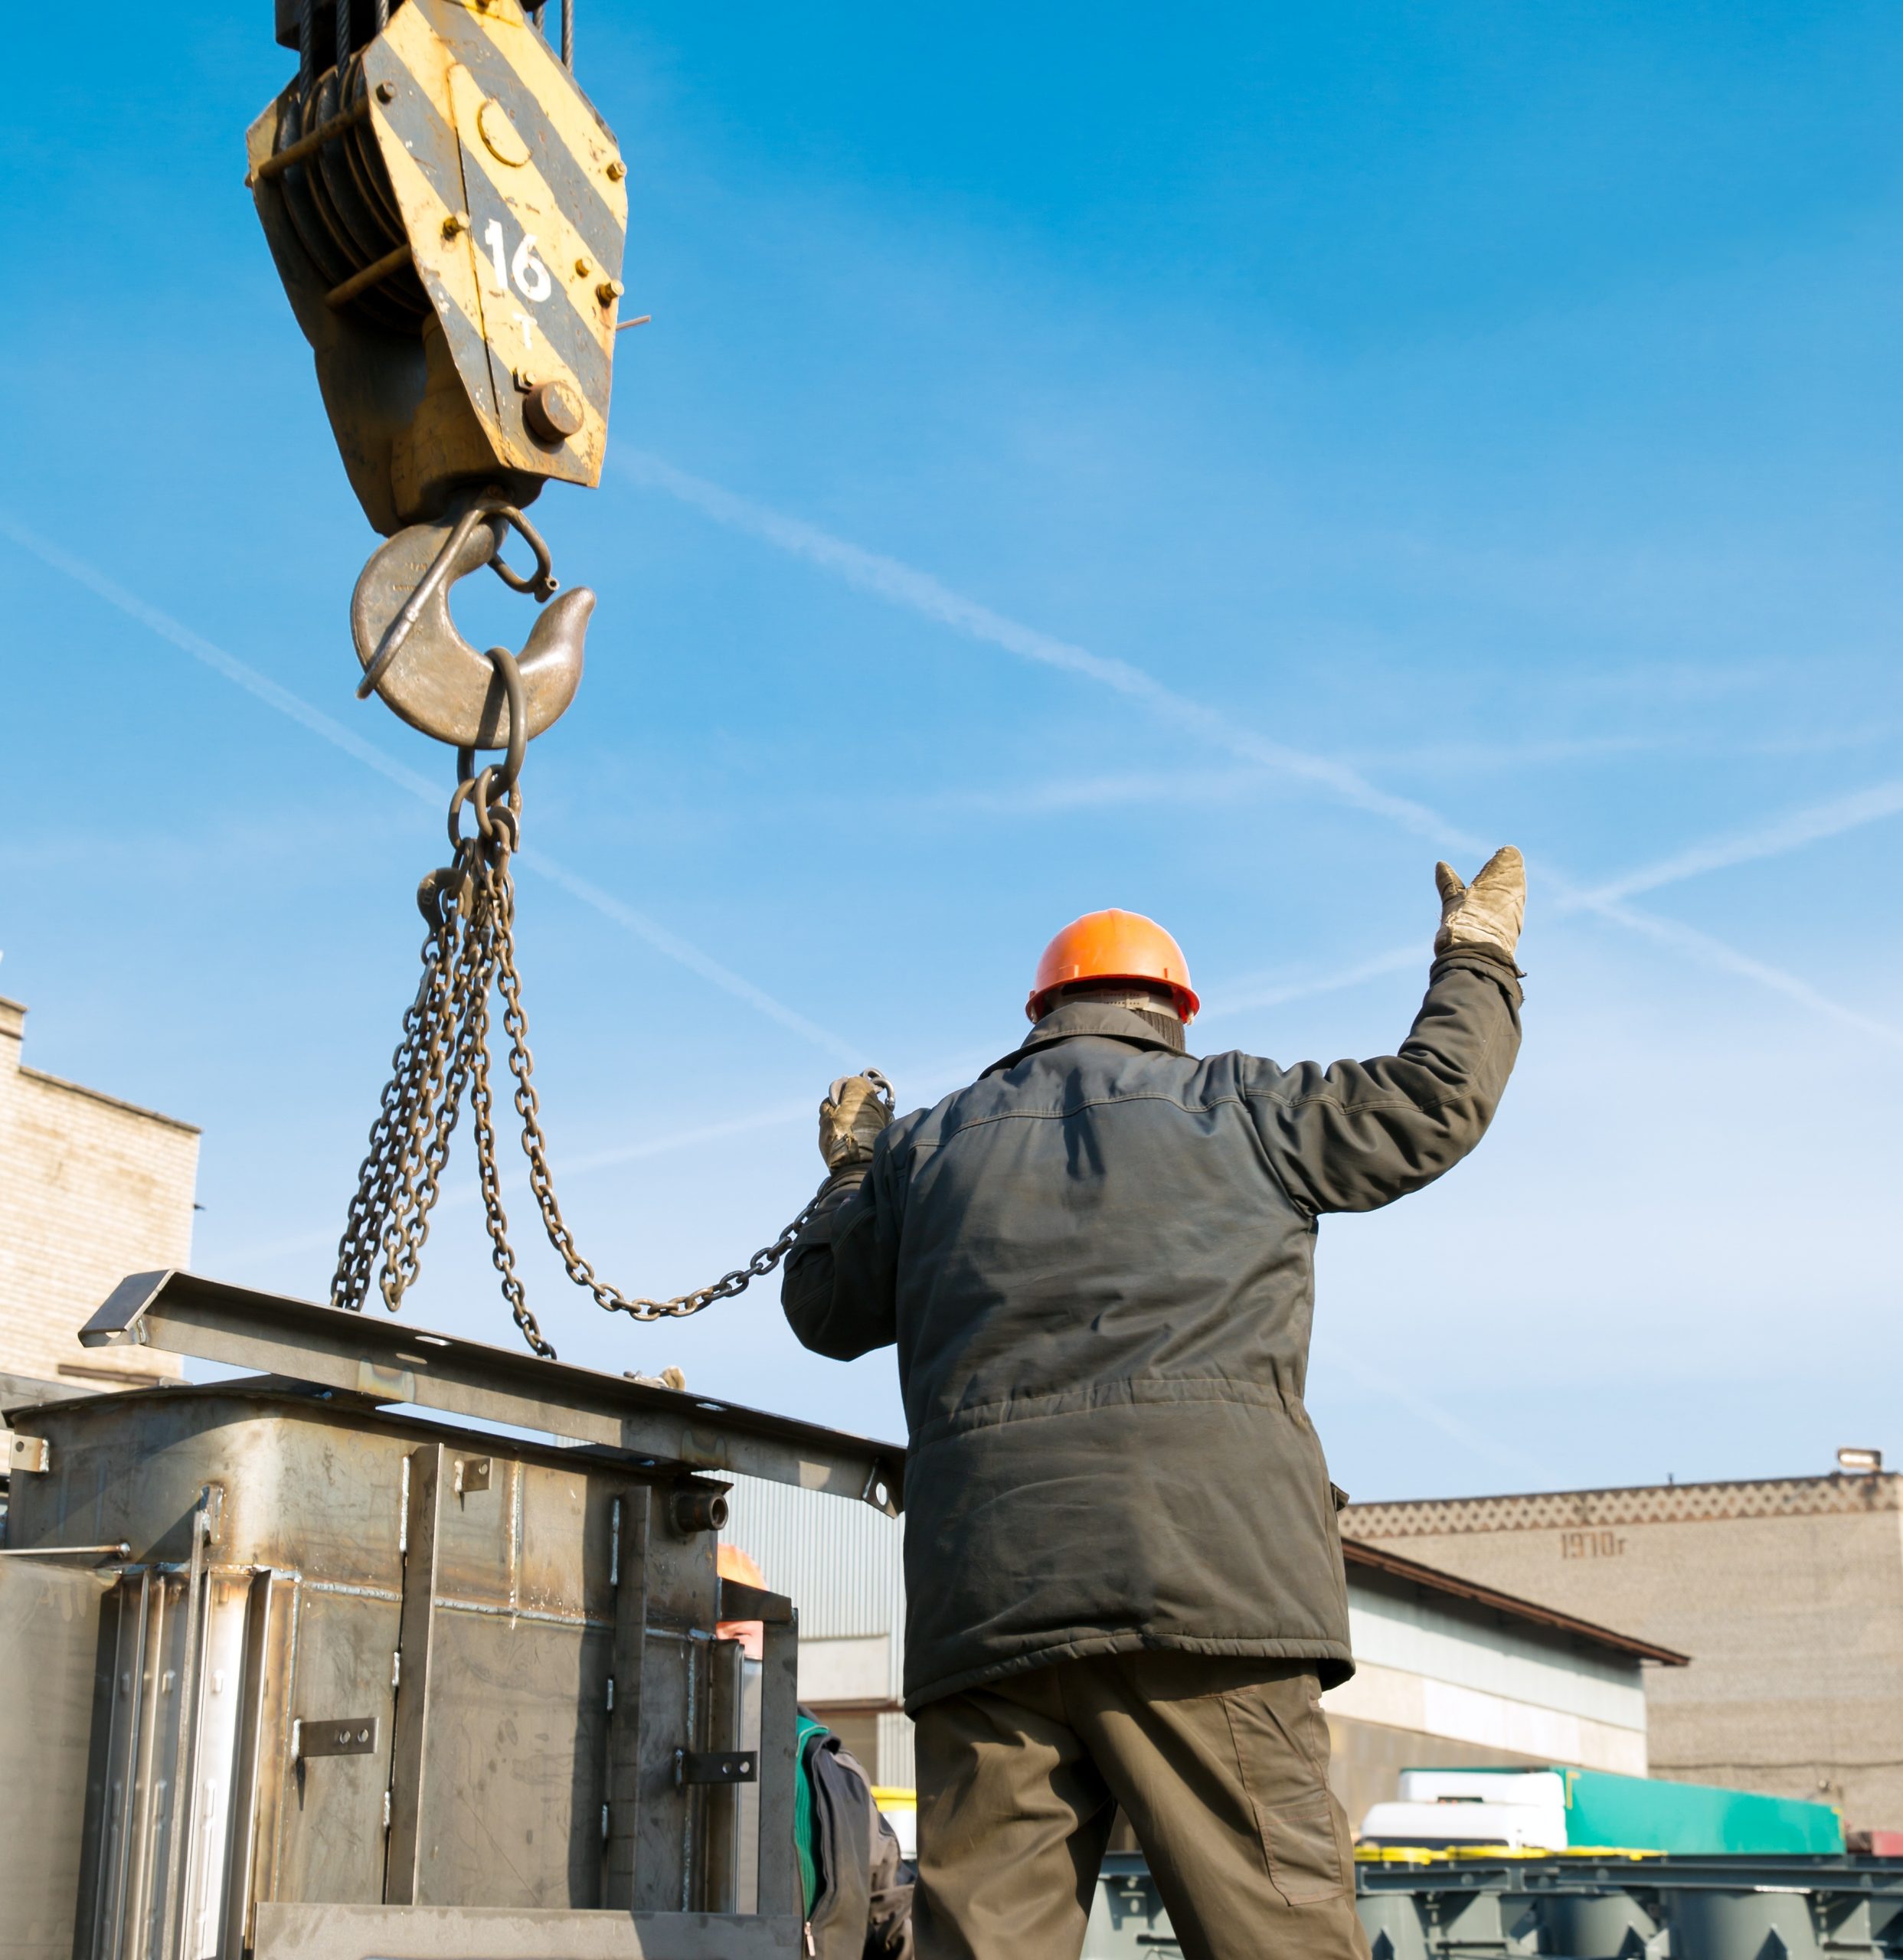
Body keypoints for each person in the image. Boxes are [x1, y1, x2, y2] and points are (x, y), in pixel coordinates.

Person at [780, 851, 1526, 1960]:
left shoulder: (929, 1148)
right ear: (1174, 1012)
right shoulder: (1246, 1104)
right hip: (1206, 1591)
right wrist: (1477, 959)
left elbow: (824, 1306)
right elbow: (1433, 1101)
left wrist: (853, 1171)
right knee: (1278, 1938)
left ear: (1040, 1013)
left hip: (987, 1608)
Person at [718, 1544, 915, 1958]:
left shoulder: (833, 1771)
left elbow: (893, 1910)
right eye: (705, 1635)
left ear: (772, 1640)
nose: (722, 1655)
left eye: (738, 1637)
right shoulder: (646, 1772)